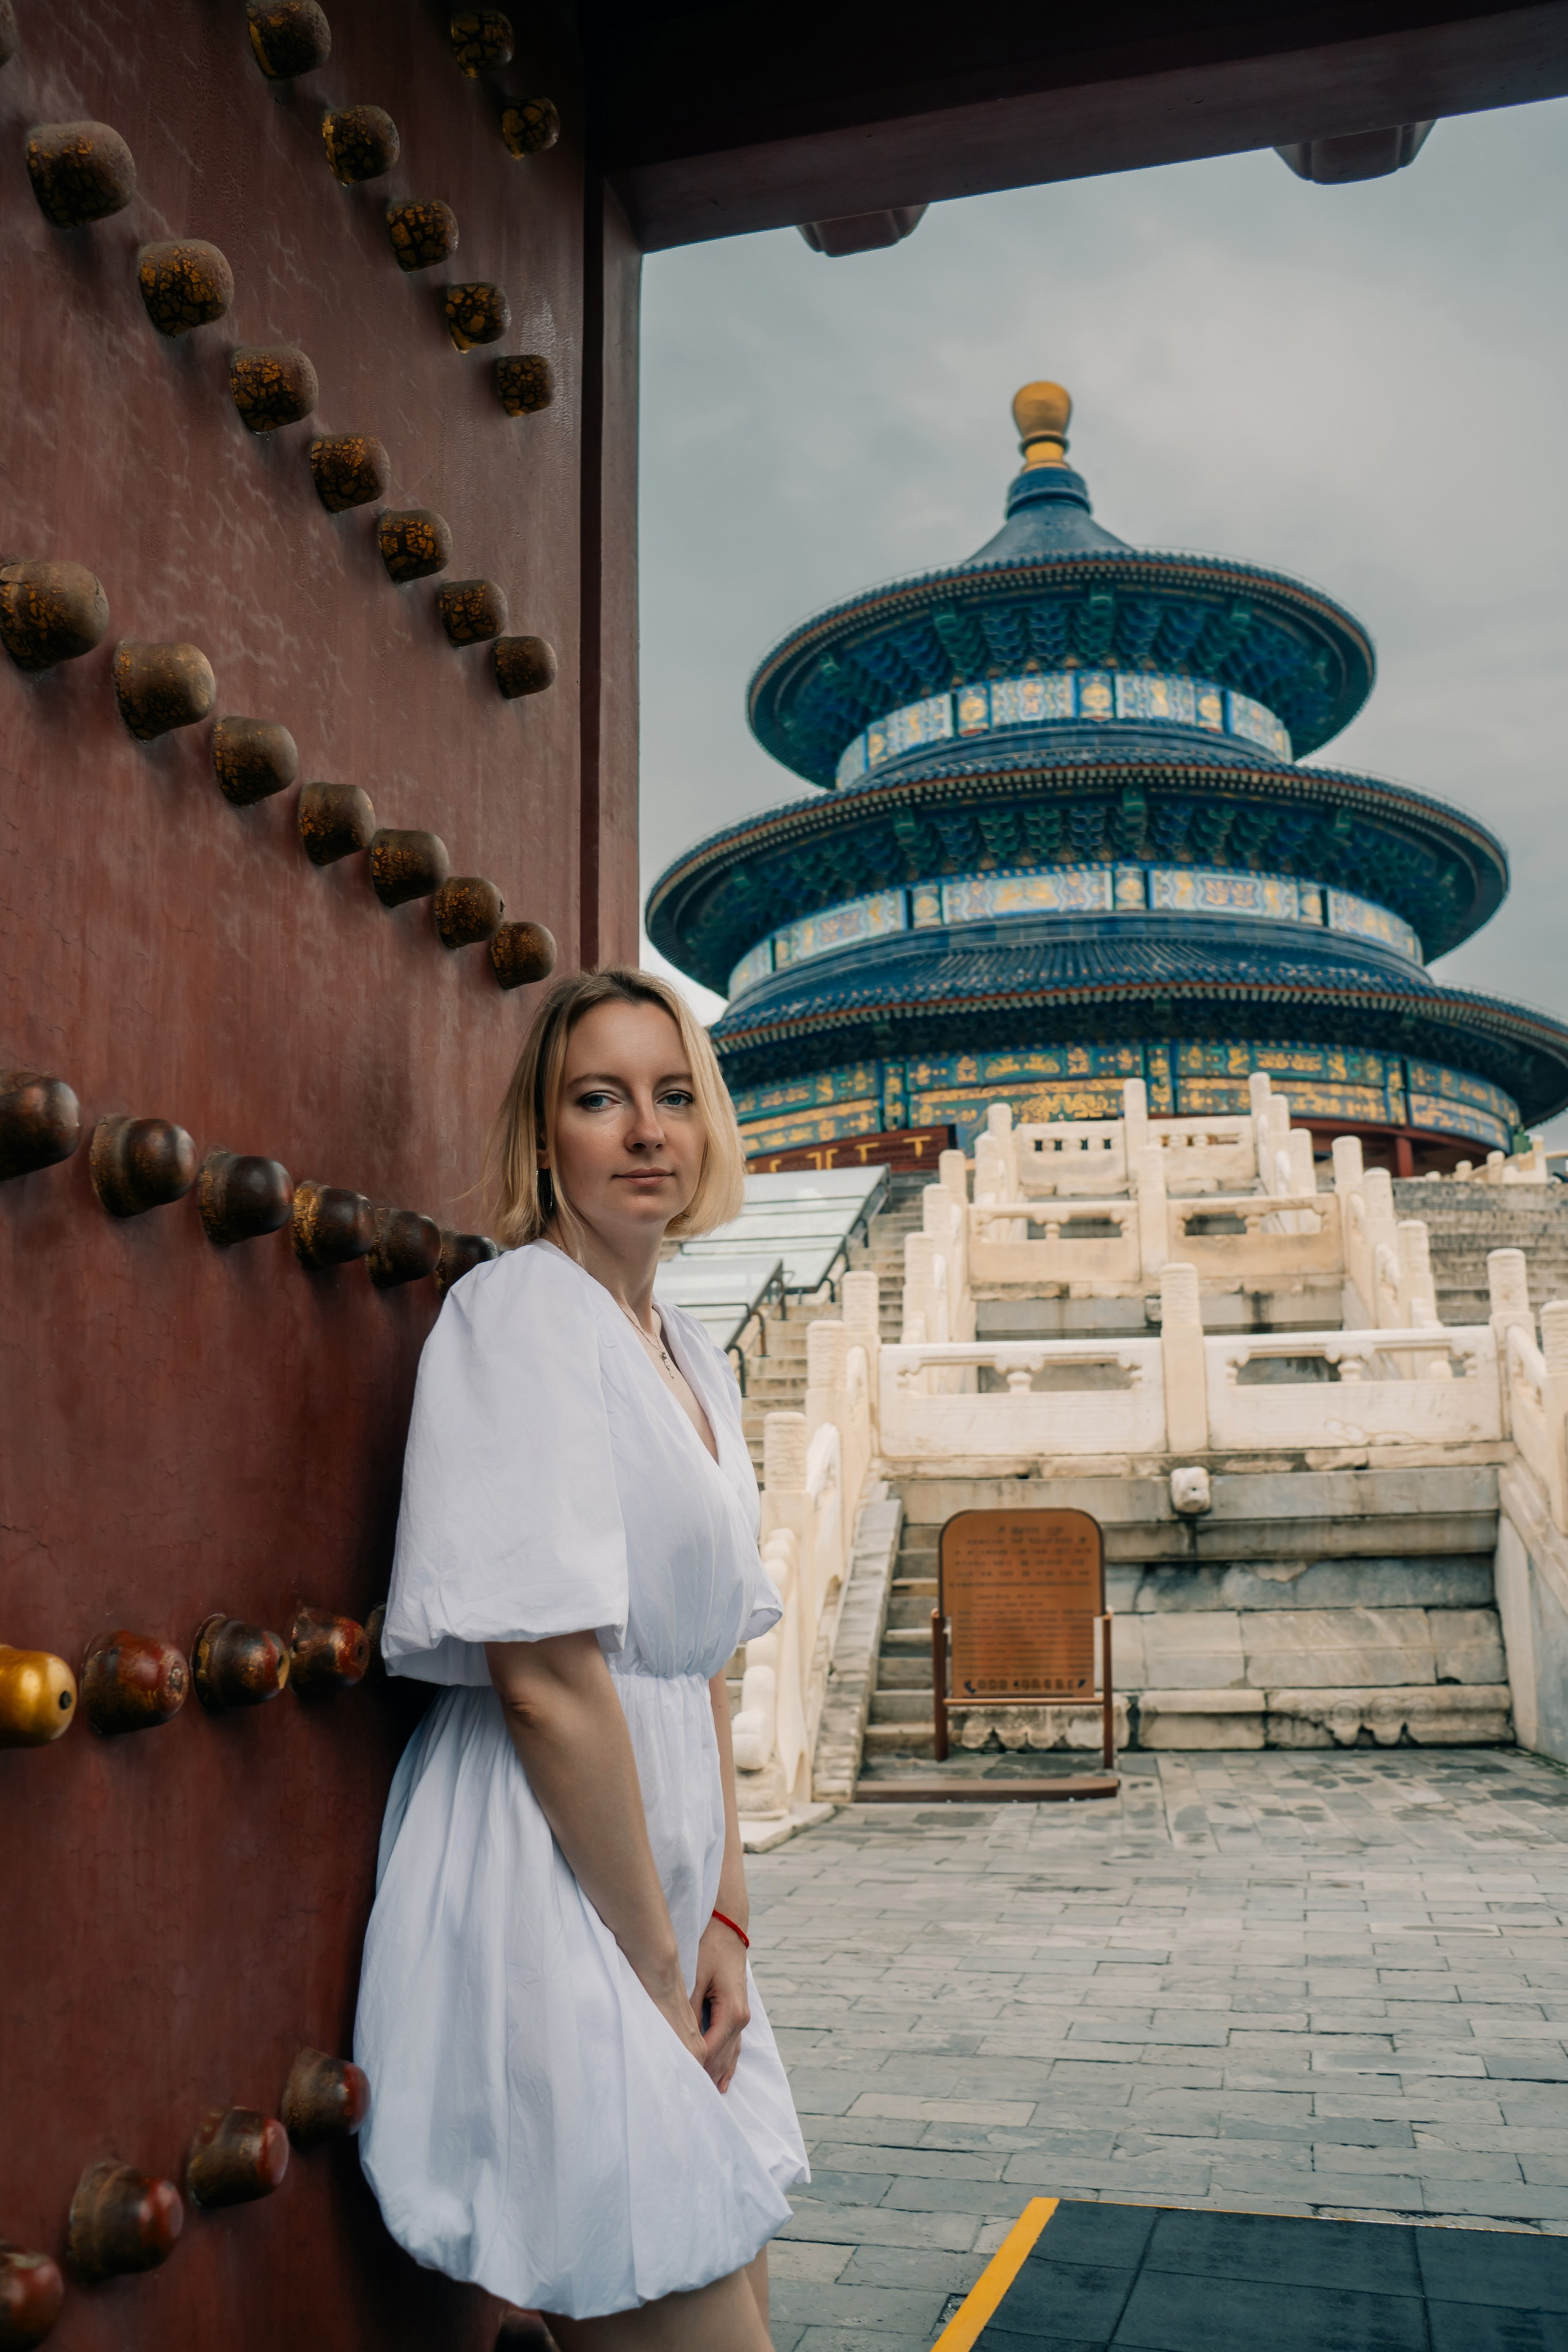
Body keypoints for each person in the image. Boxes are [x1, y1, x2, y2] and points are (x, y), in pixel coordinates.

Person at [355, 968, 807, 2350]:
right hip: (554, 1868)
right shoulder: (520, 1314)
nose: (647, 1131)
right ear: (544, 1138)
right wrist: (655, 1971)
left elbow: (701, 1655)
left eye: (674, 1096)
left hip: (666, 1885)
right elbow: (546, 1681)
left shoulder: (687, 1350)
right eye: (600, 1098)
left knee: (736, 2279)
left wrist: (726, 1923)